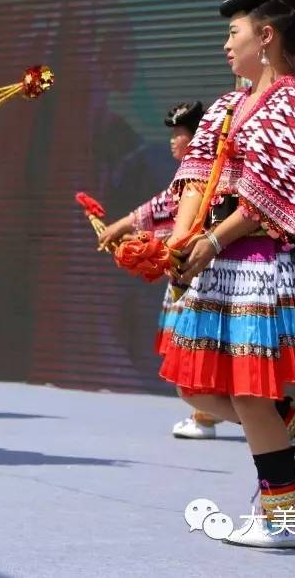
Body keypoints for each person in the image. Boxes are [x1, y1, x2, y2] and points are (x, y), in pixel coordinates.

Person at [158, 0, 295, 549]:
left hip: (261, 261)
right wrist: (179, 242)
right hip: (222, 263)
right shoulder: (228, 105)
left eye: (234, 33)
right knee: (195, 388)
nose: (227, 46)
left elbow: (274, 186)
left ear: (267, 36)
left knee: (250, 390)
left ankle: (284, 519)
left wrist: (212, 240)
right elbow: (196, 178)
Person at [98, 101, 227, 440]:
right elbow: (162, 207)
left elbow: (165, 208)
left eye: (180, 134)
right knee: (194, 346)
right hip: (191, 270)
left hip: (205, 270)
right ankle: (205, 413)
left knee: (198, 344)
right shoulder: (190, 174)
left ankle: (211, 415)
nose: (173, 140)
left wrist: (124, 226)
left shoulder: (204, 173)